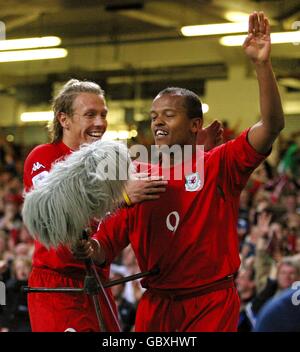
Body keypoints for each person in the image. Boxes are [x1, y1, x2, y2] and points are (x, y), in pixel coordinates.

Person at [74, 11, 284, 332]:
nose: (157, 121)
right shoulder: (134, 174)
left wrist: (261, 65)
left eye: (168, 115)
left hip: (211, 304)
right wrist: (86, 246)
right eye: (154, 115)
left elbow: (271, 126)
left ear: (195, 125)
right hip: (156, 306)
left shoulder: (218, 163)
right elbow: (105, 246)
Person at [23, 79, 221, 332]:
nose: (100, 123)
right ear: (64, 120)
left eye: (103, 114)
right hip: (57, 287)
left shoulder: (113, 163)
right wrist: (121, 197)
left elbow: (160, 177)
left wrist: (195, 153)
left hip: (97, 281)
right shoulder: (42, 157)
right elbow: (52, 214)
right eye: (90, 115)